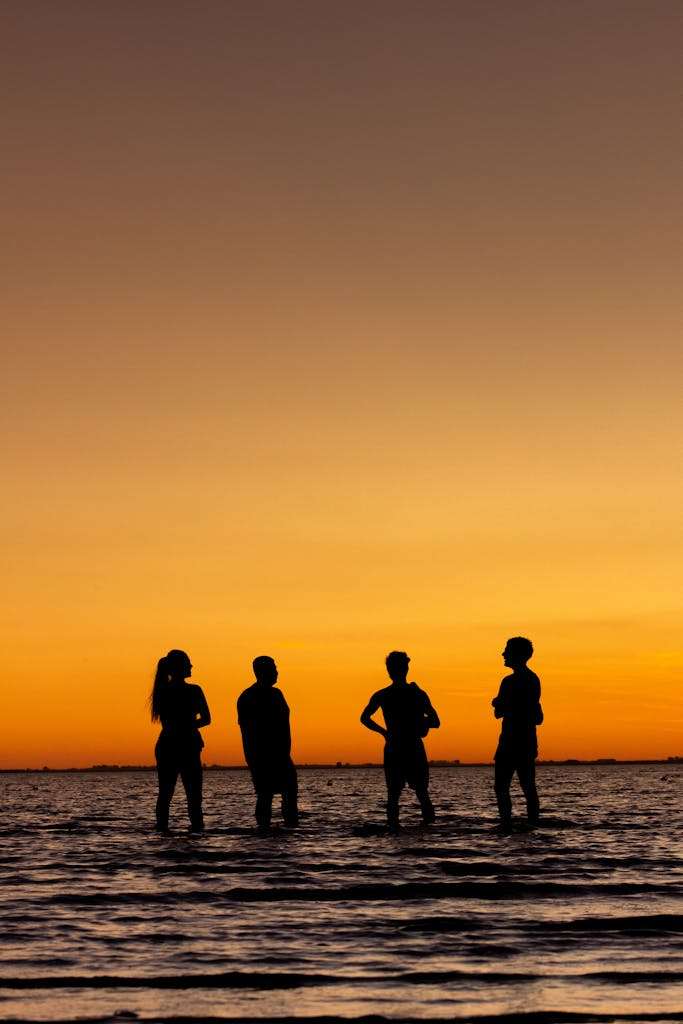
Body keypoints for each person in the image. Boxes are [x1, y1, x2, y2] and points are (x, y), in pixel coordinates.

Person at [361, 651, 440, 829]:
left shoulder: (385, 694)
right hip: (409, 747)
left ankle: (394, 828)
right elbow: (435, 721)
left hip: (398, 746)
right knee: (420, 794)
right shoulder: (417, 693)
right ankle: (427, 827)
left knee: (395, 795)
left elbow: (364, 718)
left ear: (389, 671)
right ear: (406, 668)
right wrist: (419, 723)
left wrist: (384, 732)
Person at [150, 649, 211, 833]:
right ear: (179, 667)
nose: (191, 666)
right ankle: (197, 832)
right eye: (188, 663)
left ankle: (162, 832)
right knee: (193, 796)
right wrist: (189, 725)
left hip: (169, 744)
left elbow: (170, 721)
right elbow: (206, 719)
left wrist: (183, 726)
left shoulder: (161, 691)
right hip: (187, 745)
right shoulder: (193, 690)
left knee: (165, 794)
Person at [237, 656, 299, 829]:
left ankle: (290, 826)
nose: (277, 672)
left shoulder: (277, 693)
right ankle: (263, 828)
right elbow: (247, 730)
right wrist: (252, 758)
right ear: (262, 672)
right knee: (265, 794)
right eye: (273, 668)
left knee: (290, 792)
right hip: (261, 756)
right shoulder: (248, 697)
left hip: (282, 754)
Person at [492, 636, 543, 830]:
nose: (503, 654)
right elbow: (533, 711)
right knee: (528, 786)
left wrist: (498, 703)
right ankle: (532, 823)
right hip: (527, 740)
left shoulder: (509, 681)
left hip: (511, 741)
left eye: (507, 650)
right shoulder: (533, 679)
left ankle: (506, 823)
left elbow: (500, 712)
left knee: (502, 786)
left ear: (518, 654)